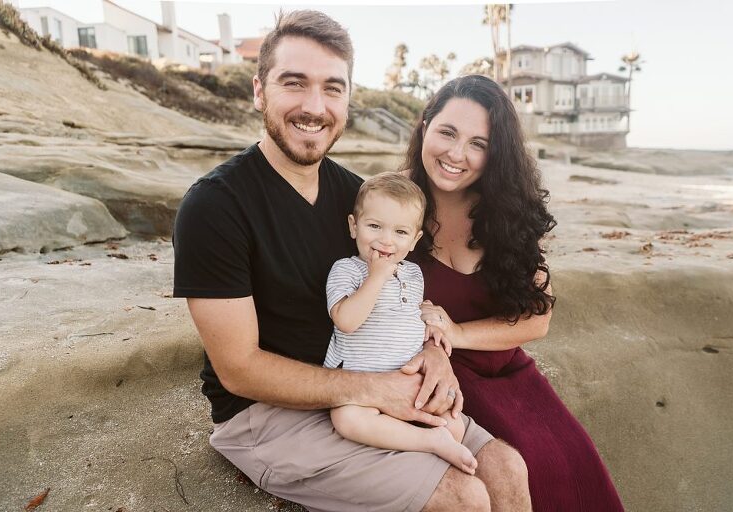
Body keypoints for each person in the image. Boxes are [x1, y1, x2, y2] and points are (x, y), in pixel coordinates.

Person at [173, 11, 532, 512]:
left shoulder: (356, 198)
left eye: (332, 88)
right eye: (294, 83)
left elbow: (397, 294)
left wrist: (431, 354)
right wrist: (376, 391)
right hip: (266, 413)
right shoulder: (215, 206)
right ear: (259, 91)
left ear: (347, 99)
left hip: (364, 382)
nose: (314, 107)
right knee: (463, 495)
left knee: (506, 468)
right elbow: (238, 369)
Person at [403, 74, 625, 511]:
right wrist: (436, 346)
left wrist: (455, 331)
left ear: (494, 153)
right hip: (438, 376)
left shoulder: (507, 212)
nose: (456, 154)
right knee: (511, 467)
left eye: (478, 144)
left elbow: (536, 318)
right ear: (425, 126)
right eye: (447, 132)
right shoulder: (391, 201)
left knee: (570, 460)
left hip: (508, 370)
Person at [323, 172, 477, 475]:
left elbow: (406, 311)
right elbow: (346, 321)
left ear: (415, 239)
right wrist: (377, 276)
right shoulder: (347, 270)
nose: (385, 240)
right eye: (374, 226)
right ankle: (427, 442)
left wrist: (428, 322)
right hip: (360, 385)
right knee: (346, 420)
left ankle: (424, 450)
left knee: (453, 422)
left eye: (400, 232)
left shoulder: (412, 274)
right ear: (354, 226)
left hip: (408, 381)